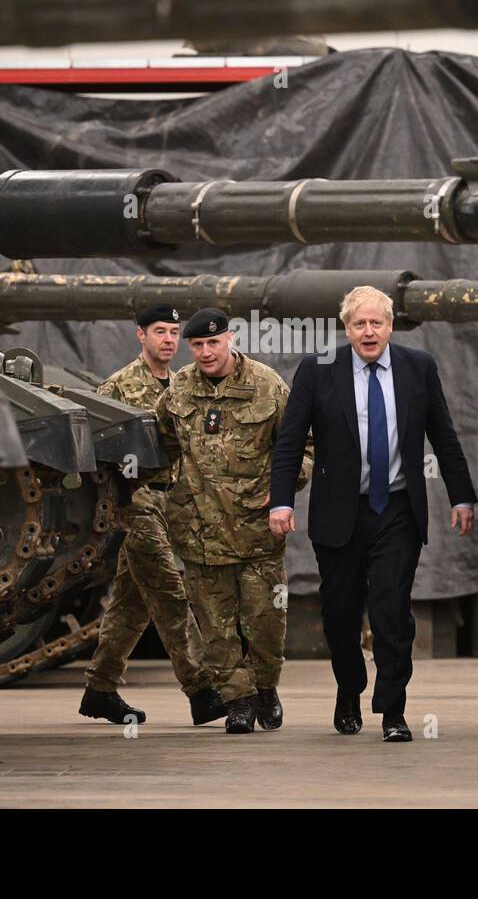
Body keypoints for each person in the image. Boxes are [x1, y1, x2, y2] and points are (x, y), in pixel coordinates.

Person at [269, 285, 476, 742]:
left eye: (376, 323)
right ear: (346, 329)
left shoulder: (418, 367)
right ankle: (349, 689)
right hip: (338, 513)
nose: (368, 331)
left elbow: (444, 436)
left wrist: (462, 497)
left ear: (390, 326)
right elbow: (289, 442)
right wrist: (281, 500)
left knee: (391, 609)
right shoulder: (318, 369)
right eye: (359, 324)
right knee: (340, 615)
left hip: (398, 510)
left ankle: (392, 710)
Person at [153, 307, 310, 734]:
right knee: (214, 624)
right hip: (198, 529)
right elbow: (163, 445)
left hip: (256, 527)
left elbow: (303, 445)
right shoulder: (179, 388)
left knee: (263, 619)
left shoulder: (266, 384)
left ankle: (265, 688)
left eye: (213, 343)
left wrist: (281, 493)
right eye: (198, 345)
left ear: (230, 338)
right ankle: (238, 699)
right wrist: (170, 490)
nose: (206, 352)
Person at [78, 303, 228, 727]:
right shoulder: (119, 387)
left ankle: (100, 689)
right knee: (167, 591)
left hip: (177, 500)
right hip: (136, 503)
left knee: (131, 603)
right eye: (159, 330)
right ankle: (201, 690)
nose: (168, 339)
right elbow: (95, 454)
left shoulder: (185, 385)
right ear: (140, 335)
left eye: (174, 332)